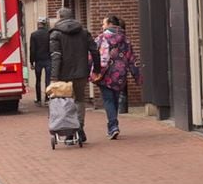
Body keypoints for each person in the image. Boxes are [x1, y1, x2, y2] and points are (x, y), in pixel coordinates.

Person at [49, 7, 100, 142]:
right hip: (81, 73)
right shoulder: (83, 32)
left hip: (63, 75)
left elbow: (56, 56)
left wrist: (54, 77)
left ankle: (70, 130)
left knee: (66, 101)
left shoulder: (56, 34)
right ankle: (80, 128)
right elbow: (95, 51)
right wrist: (97, 69)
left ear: (60, 17)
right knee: (80, 100)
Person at [95, 14, 141, 139]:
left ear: (110, 24)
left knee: (108, 100)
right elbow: (132, 59)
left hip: (105, 73)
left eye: (103, 24)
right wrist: (137, 76)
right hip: (120, 74)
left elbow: (93, 55)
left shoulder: (101, 38)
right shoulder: (125, 39)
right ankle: (112, 125)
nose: (102, 26)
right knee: (114, 99)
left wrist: (91, 71)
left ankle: (113, 126)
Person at [29, 17, 52, 104]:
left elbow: (32, 49)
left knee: (38, 79)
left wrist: (32, 61)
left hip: (38, 60)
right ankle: (47, 98)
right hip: (48, 59)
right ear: (45, 24)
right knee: (48, 79)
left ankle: (38, 99)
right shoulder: (49, 34)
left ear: (38, 24)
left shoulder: (34, 35)